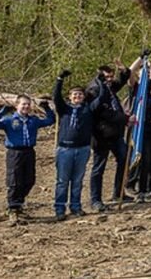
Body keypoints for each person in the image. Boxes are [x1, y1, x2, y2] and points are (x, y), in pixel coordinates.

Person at [0, 94, 55, 225]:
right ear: (16, 106)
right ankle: (13, 209)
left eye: (28, 104)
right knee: (14, 181)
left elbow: (50, 120)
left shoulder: (33, 120)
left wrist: (47, 108)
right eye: (23, 104)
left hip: (29, 151)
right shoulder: (9, 120)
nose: (26, 107)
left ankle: (18, 204)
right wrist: (3, 110)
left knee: (29, 180)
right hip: (15, 153)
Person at [53, 69, 101, 219]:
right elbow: (56, 96)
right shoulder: (64, 109)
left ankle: (75, 206)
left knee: (78, 180)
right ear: (70, 96)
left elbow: (101, 97)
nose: (77, 96)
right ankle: (60, 209)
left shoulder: (88, 109)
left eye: (80, 94)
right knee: (62, 181)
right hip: (65, 149)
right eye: (74, 94)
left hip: (82, 149)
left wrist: (100, 80)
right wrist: (60, 79)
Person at [86, 62, 131, 212]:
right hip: (101, 135)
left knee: (124, 159)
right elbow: (103, 112)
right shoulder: (94, 90)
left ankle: (118, 192)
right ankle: (96, 200)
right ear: (100, 76)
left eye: (112, 76)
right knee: (99, 168)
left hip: (116, 134)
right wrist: (126, 119)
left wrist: (124, 69)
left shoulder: (109, 87)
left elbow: (123, 80)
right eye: (107, 77)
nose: (111, 79)